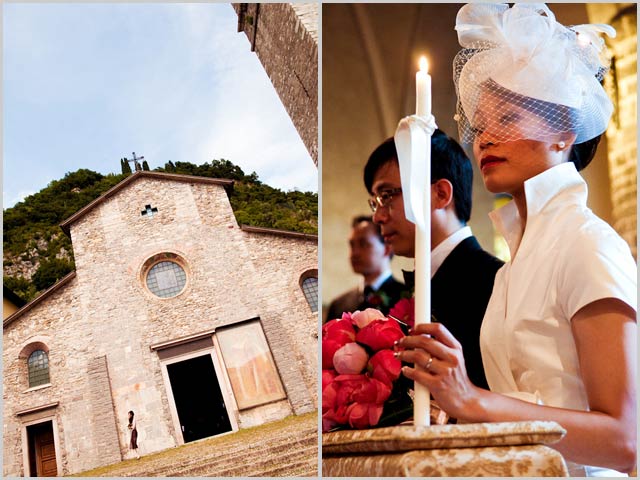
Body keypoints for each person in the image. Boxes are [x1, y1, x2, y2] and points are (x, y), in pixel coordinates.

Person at [396, 4, 636, 476]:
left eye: (506, 117)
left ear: (564, 130)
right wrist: (458, 411)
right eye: (480, 124)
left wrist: (473, 399)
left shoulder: (588, 244)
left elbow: (627, 440)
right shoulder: (511, 268)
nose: (483, 138)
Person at [364, 130, 503, 390]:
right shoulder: (410, 290)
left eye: (386, 196)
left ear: (440, 193)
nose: (378, 217)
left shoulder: (497, 282)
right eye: (375, 203)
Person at [325, 216, 405, 321]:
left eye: (364, 244)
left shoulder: (407, 298)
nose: (355, 253)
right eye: (352, 245)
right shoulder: (338, 305)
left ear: (386, 249)